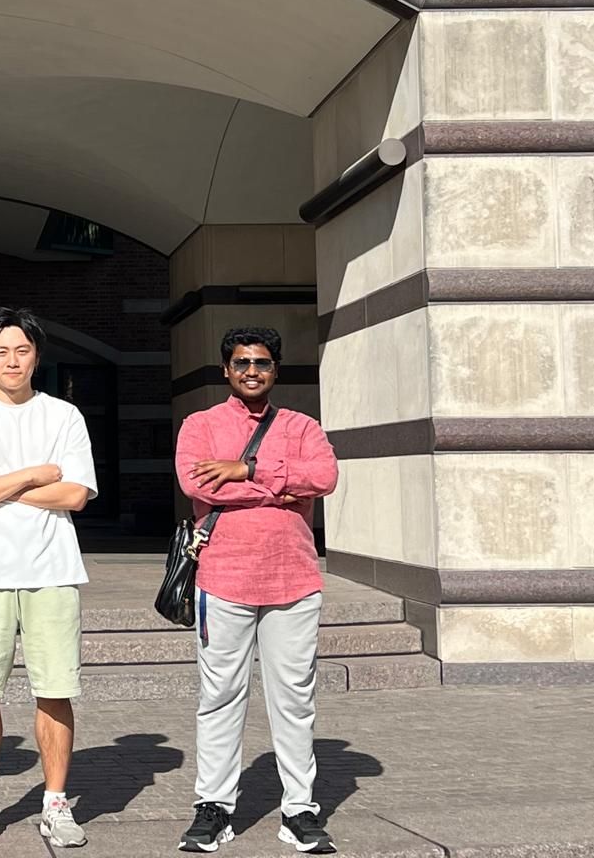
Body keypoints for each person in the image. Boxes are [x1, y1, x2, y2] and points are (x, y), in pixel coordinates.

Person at [174, 326, 339, 855]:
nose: (252, 371)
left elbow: (325, 476)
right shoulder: (200, 426)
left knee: (294, 699)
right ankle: (214, 807)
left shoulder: (301, 425)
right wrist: (281, 488)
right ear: (226, 370)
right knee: (220, 696)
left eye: (262, 363)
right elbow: (198, 484)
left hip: (293, 579)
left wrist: (244, 469)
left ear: (275, 370)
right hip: (223, 578)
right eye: (242, 363)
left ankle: (299, 810)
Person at [0, 307, 98, 850]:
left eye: (22, 350)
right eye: (1, 351)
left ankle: (55, 803)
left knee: (55, 690)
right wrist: (34, 474)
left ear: (37, 355)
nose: (12, 360)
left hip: (53, 569)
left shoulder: (64, 416)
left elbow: (74, 495)